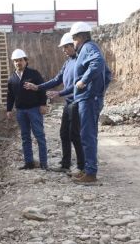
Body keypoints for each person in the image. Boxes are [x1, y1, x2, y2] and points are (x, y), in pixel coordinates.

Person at [24, 33, 84, 176]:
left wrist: (60, 93)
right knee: (64, 133)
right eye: (63, 48)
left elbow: (77, 85)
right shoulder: (68, 62)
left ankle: (82, 166)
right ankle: (66, 164)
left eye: (65, 47)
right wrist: (38, 87)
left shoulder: (80, 61)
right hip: (69, 102)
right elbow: (57, 79)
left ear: (73, 46)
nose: (63, 50)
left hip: (77, 102)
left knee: (75, 134)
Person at [68, 22, 112, 185]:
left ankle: (91, 173)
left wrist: (84, 82)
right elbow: (107, 74)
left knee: (87, 135)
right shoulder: (91, 48)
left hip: (88, 99)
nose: (73, 43)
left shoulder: (87, 48)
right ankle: (88, 170)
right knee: (87, 135)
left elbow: (98, 63)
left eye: (73, 39)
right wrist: (99, 91)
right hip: (90, 98)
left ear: (79, 37)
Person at [6, 49, 48, 170]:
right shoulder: (12, 78)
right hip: (20, 111)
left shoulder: (34, 74)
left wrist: (43, 104)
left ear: (26, 61)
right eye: (15, 61)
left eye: (20, 60)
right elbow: (10, 95)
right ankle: (29, 163)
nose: (18, 63)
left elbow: (42, 89)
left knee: (39, 136)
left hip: (34, 109)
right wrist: (9, 109)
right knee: (25, 137)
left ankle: (43, 163)